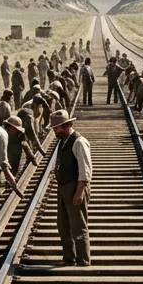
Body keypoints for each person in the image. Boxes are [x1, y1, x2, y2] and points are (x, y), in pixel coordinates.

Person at [51, 110, 92, 266]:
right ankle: (69, 258)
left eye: (57, 128)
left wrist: (80, 191)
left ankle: (83, 260)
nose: (55, 131)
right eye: (54, 128)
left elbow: (85, 169)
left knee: (78, 225)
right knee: (63, 225)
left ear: (68, 125)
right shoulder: (63, 141)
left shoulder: (79, 142)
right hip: (64, 188)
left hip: (75, 187)